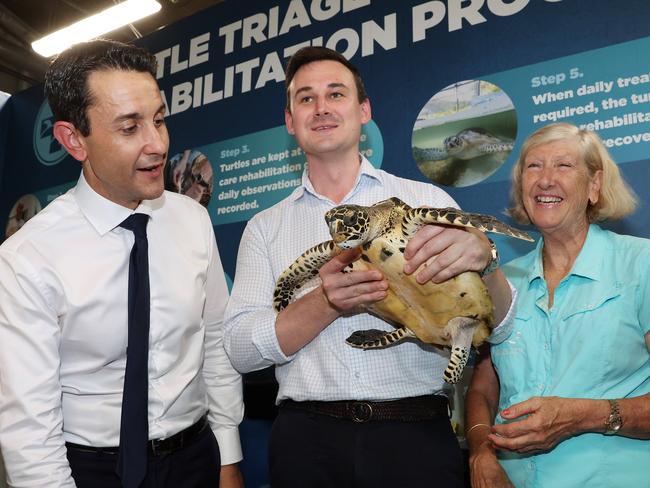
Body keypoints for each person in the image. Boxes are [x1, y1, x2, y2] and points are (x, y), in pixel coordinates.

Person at [223, 46, 517, 487]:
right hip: (308, 441)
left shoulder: (427, 202)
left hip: (414, 435)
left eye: (336, 94)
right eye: (305, 98)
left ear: (364, 111)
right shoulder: (266, 227)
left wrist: (486, 259)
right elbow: (240, 350)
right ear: (289, 122)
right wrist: (325, 303)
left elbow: (504, 326)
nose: (321, 107)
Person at [0, 40, 244, 488]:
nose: (157, 144)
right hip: (88, 471)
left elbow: (215, 342)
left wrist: (227, 454)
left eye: (159, 119)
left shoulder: (191, 219)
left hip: (196, 457)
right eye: (130, 128)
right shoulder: (27, 259)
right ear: (73, 139)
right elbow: (29, 426)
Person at [465, 122, 650, 488]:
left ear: (594, 185)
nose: (545, 180)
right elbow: (482, 390)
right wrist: (481, 452)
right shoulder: (501, 281)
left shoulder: (641, 265)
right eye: (533, 167)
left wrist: (583, 416)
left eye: (564, 166)